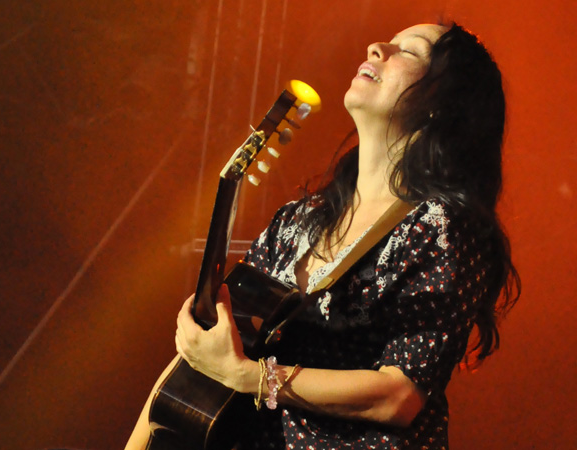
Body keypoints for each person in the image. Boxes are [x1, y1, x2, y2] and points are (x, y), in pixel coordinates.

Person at [125, 23, 520, 450]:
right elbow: (198, 359)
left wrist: (252, 377)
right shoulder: (297, 221)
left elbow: (399, 395)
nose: (377, 47)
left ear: (442, 105)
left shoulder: (444, 228)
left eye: (411, 51)